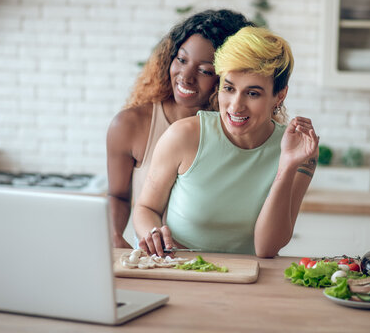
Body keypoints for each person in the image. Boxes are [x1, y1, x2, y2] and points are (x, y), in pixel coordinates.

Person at [133, 26, 319, 258]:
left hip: (250, 279)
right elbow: (145, 208)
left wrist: (287, 166)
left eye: (253, 93)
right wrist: (153, 233)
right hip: (180, 269)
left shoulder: (299, 151)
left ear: (279, 96)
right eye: (229, 88)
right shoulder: (183, 136)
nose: (235, 106)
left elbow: (266, 248)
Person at [106, 10, 254, 248]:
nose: (185, 77)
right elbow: (118, 195)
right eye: (182, 60)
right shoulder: (130, 125)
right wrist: (113, 235)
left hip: (222, 266)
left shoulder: (242, 133)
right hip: (155, 263)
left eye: (205, 70)